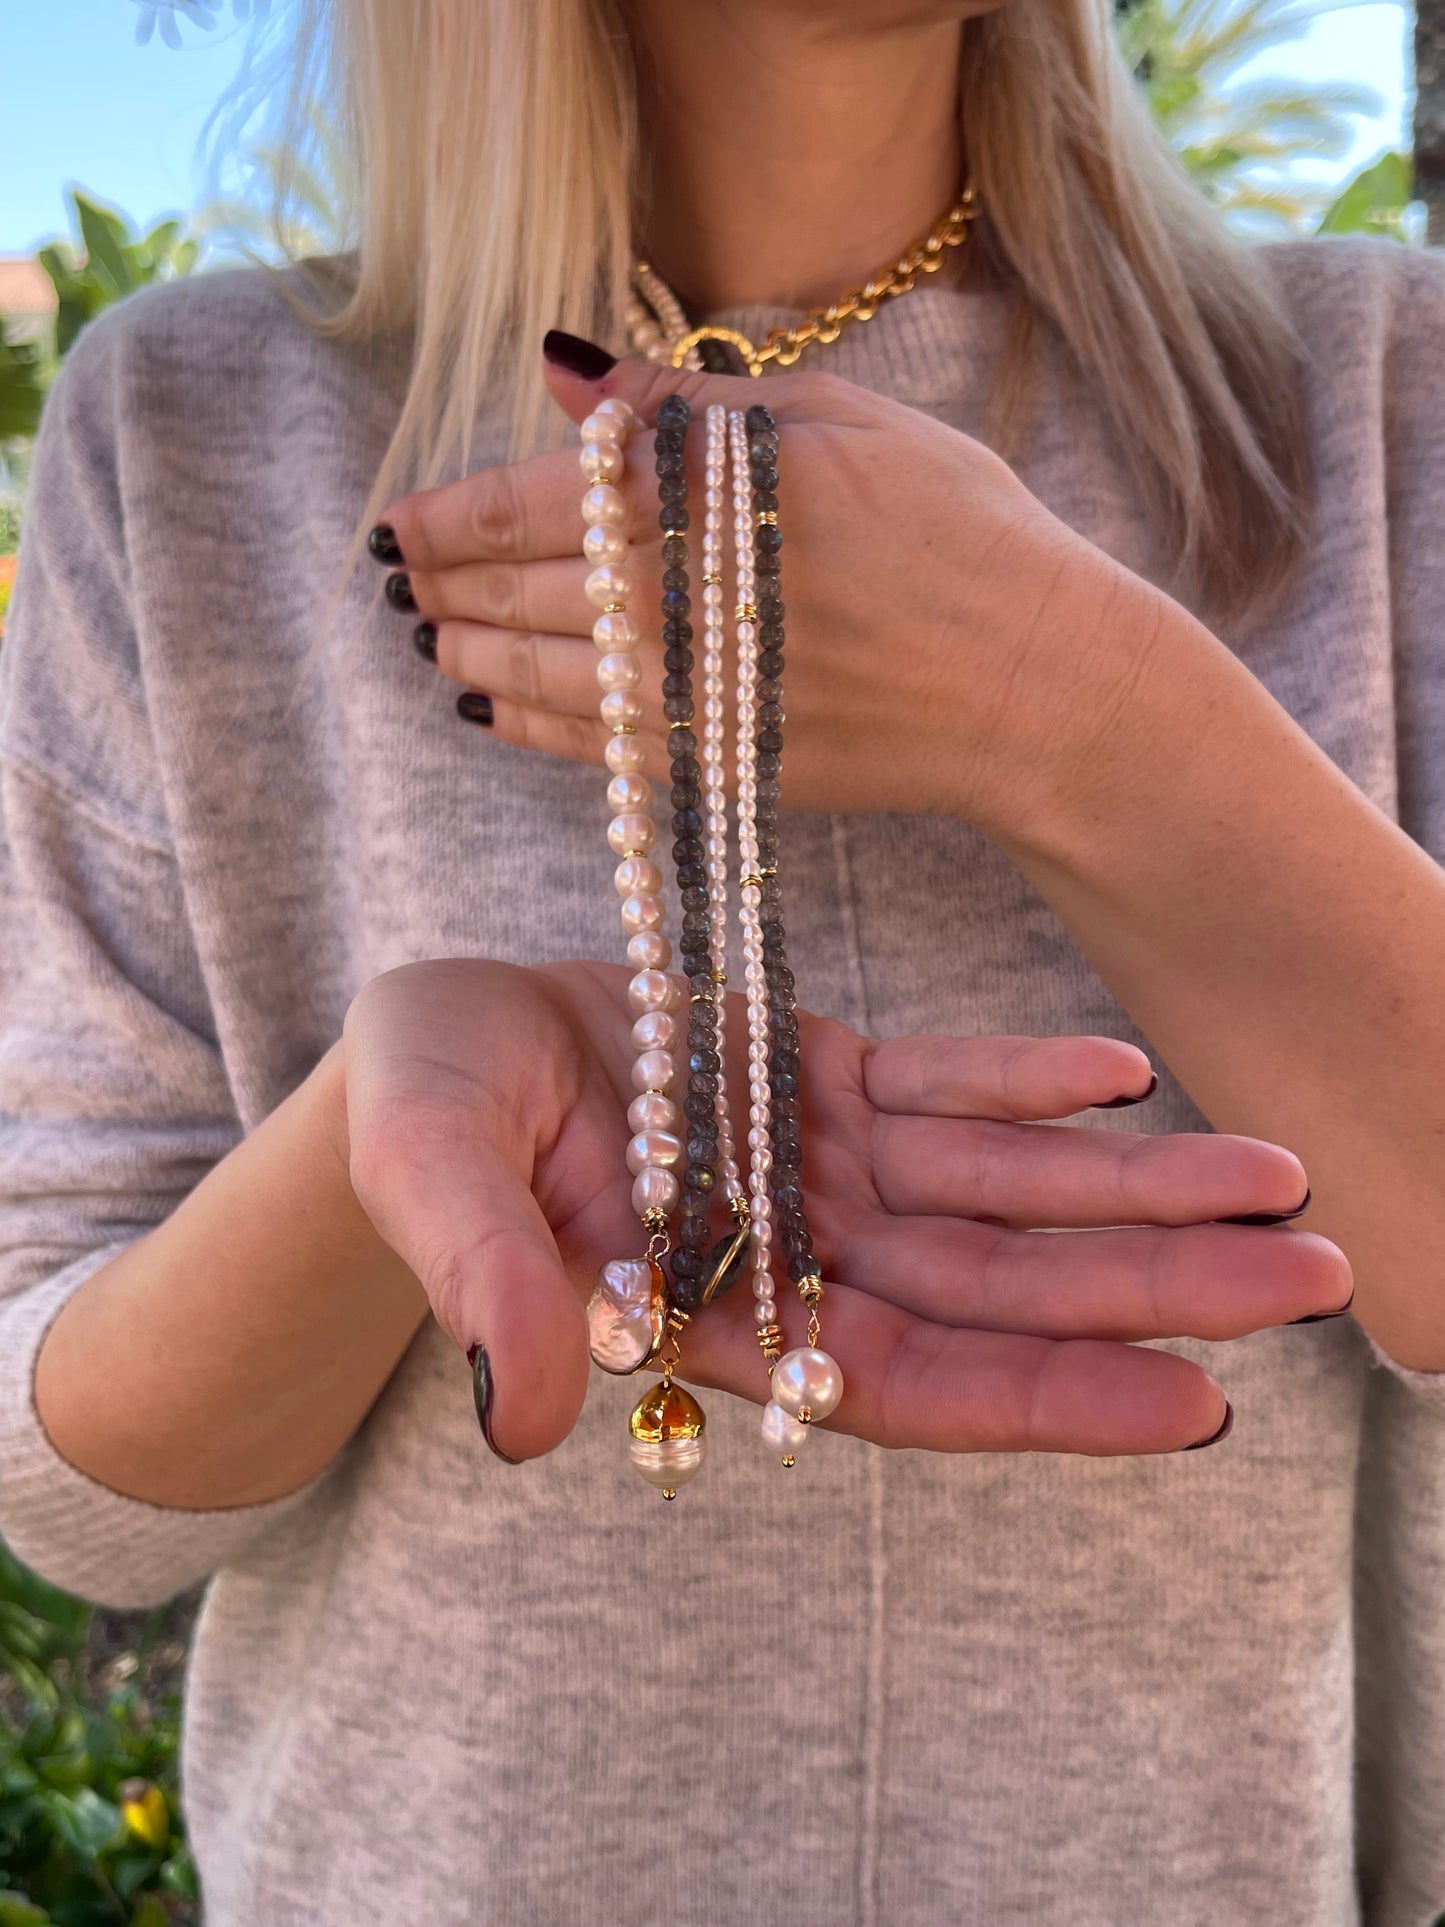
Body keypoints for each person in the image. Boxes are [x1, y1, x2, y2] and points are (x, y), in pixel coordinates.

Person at [0, 0, 1441, 1920]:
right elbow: (76, 1494)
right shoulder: (194, 425)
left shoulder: (1378, 385)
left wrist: (1082, 714)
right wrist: (381, 1144)